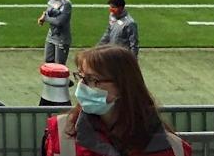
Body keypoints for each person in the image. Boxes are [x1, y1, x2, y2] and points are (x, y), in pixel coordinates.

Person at [42, 45, 187, 156]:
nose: (82, 86)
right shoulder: (59, 133)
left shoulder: (174, 148)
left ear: (123, 86)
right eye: (81, 77)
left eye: (92, 79)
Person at [38, 0, 73, 65]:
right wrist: (43, 16)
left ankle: (61, 79)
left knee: (59, 65)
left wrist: (46, 18)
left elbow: (59, 22)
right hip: (51, 35)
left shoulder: (66, 4)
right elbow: (48, 11)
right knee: (48, 61)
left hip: (61, 38)